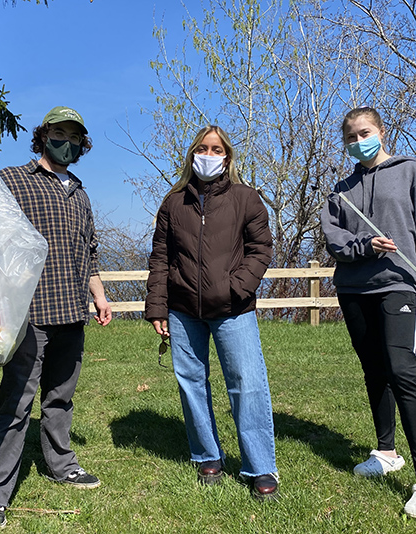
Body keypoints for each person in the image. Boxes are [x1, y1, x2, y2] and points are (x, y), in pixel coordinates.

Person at [0, 106, 112, 531]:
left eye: (75, 137)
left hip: (71, 311)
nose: (67, 141)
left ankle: (62, 465)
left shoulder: (79, 191)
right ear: (43, 136)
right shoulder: (15, 180)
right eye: (59, 132)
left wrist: (98, 296)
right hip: (29, 314)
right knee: (16, 404)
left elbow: (89, 252)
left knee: (60, 398)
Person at [320, 107, 416, 522]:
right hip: (353, 290)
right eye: (351, 137)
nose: (359, 141)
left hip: (399, 286)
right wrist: (365, 245)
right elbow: (334, 240)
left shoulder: (410, 171)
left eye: (365, 132)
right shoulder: (340, 191)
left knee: (402, 371)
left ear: (381, 131)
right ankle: (385, 452)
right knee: (374, 370)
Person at [144, 125, 279, 502]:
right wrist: (157, 306)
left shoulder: (246, 198)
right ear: (192, 155)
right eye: (202, 148)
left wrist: (238, 287)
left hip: (234, 310)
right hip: (184, 310)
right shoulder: (174, 203)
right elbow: (160, 258)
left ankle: (260, 466)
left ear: (227, 157)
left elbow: (261, 249)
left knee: (247, 383)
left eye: (216, 149)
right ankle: (208, 456)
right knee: (191, 382)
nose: (208, 154)